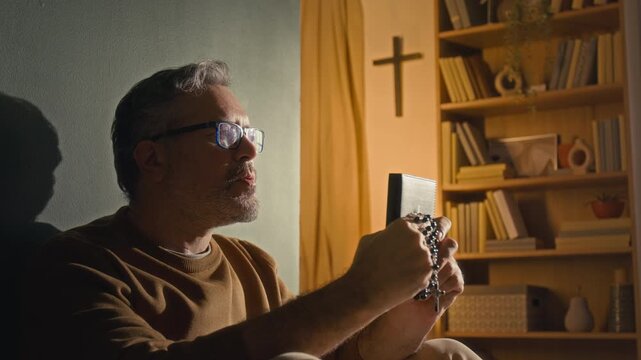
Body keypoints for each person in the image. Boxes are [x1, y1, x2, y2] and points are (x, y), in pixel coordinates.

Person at [23, 60, 480, 360]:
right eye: (225, 133)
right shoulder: (81, 264)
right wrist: (361, 288)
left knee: (447, 352)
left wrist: (406, 311)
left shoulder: (252, 264)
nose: (248, 150)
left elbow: (334, 353)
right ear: (152, 158)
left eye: (250, 134)